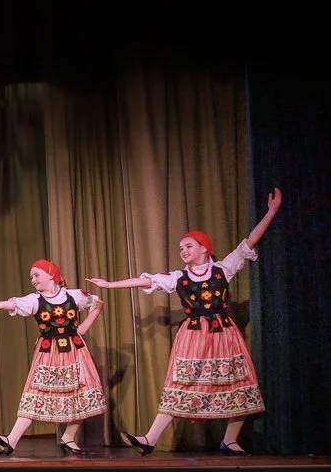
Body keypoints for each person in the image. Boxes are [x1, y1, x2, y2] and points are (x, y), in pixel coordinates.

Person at [86, 188, 283, 455]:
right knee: (181, 382)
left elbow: (249, 243)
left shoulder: (222, 268)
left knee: (237, 381)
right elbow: (148, 280)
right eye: (180, 248)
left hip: (223, 333)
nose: (183, 251)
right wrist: (111, 284)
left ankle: (231, 439)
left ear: (204, 248)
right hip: (193, 335)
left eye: (188, 246)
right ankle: (150, 438)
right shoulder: (179, 277)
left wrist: (271, 212)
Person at [0, 259, 107, 455]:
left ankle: (68, 437)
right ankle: (11, 440)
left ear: (51, 274)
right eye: (31, 276)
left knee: (82, 392)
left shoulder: (75, 296)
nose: (33, 279)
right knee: (35, 394)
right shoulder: (34, 300)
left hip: (75, 350)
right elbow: (5, 305)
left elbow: (97, 303)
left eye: (36, 275)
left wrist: (83, 327)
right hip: (49, 352)